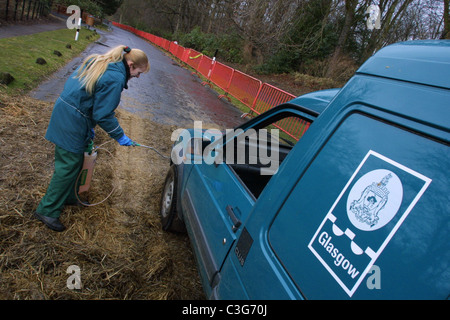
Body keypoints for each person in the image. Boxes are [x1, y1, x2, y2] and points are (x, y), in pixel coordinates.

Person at [34, 45, 150, 232]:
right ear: (130, 64)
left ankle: (70, 196)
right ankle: (47, 210)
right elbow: (103, 114)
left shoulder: (100, 60)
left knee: (77, 161)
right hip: (72, 120)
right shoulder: (116, 77)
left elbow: (85, 93)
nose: (137, 77)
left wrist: (87, 126)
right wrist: (120, 136)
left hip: (69, 113)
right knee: (68, 165)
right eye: (138, 73)